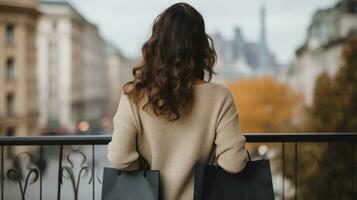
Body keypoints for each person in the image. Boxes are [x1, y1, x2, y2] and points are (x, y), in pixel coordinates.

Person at [107, 2, 248, 200]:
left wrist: (146, 172)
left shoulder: (134, 94)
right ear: (201, 47)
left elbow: (120, 157)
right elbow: (234, 163)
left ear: (156, 45)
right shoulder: (220, 96)